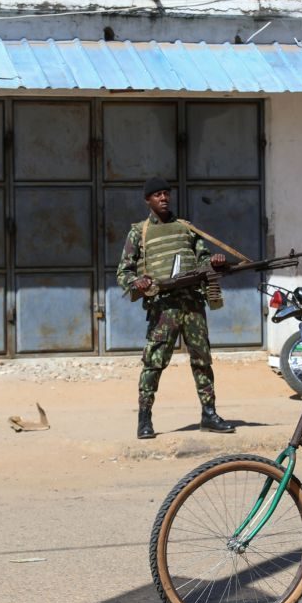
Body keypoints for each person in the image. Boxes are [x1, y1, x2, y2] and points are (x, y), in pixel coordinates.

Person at [117, 177, 236, 440]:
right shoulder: (139, 232)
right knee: (154, 363)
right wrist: (137, 281)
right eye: (157, 195)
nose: (163, 198)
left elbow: (203, 258)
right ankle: (144, 419)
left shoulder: (186, 228)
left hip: (192, 303)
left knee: (202, 360)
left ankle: (209, 414)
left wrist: (213, 260)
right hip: (163, 308)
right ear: (147, 200)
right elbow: (123, 273)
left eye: (166, 194)